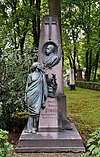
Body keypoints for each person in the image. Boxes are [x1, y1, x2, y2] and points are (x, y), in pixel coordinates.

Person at [25, 62, 48, 133]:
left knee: (36, 112)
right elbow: (27, 86)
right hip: (31, 95)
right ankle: (30, 128)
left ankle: (34, 127)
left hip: (38, 95)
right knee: (31, 113)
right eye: (39, 65)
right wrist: (25, 96)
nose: (40, 66)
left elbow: (44, 87)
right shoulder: (30, 75)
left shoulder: (42, 76)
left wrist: (45, 95)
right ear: (36, 67)